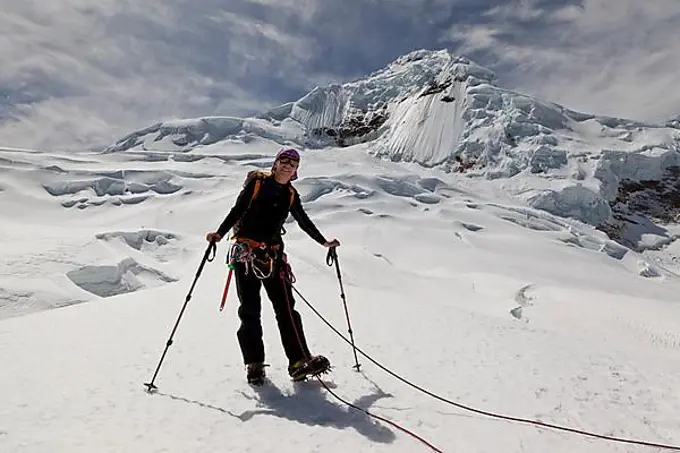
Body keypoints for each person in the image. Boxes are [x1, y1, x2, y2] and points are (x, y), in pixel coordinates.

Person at [205, 147, 340, 385]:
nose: (288, 165)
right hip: (246, 255)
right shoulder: (257, 183)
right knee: (250, 311)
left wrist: (324, 242)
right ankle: (254, 365)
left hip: (274, 257)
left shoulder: (290, 194)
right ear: (275, 164)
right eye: (284, 160)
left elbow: (304, 221)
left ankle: (299, 361)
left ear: (297, 169)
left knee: (287, 309)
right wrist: (219, 233)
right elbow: (237, 210)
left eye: (293, 163)